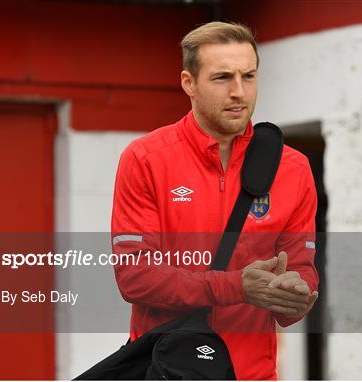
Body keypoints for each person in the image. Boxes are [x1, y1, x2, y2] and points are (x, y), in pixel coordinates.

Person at [111, 21, 318, 380]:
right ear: (188, 83)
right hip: (168, 370)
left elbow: (300, 268)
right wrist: (236, 286)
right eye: (223, 78)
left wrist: (297, 293)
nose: (239, 91)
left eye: (248, 76)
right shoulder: (145, 158)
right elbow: (135, 276)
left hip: (252, 374)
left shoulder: (293, 168)